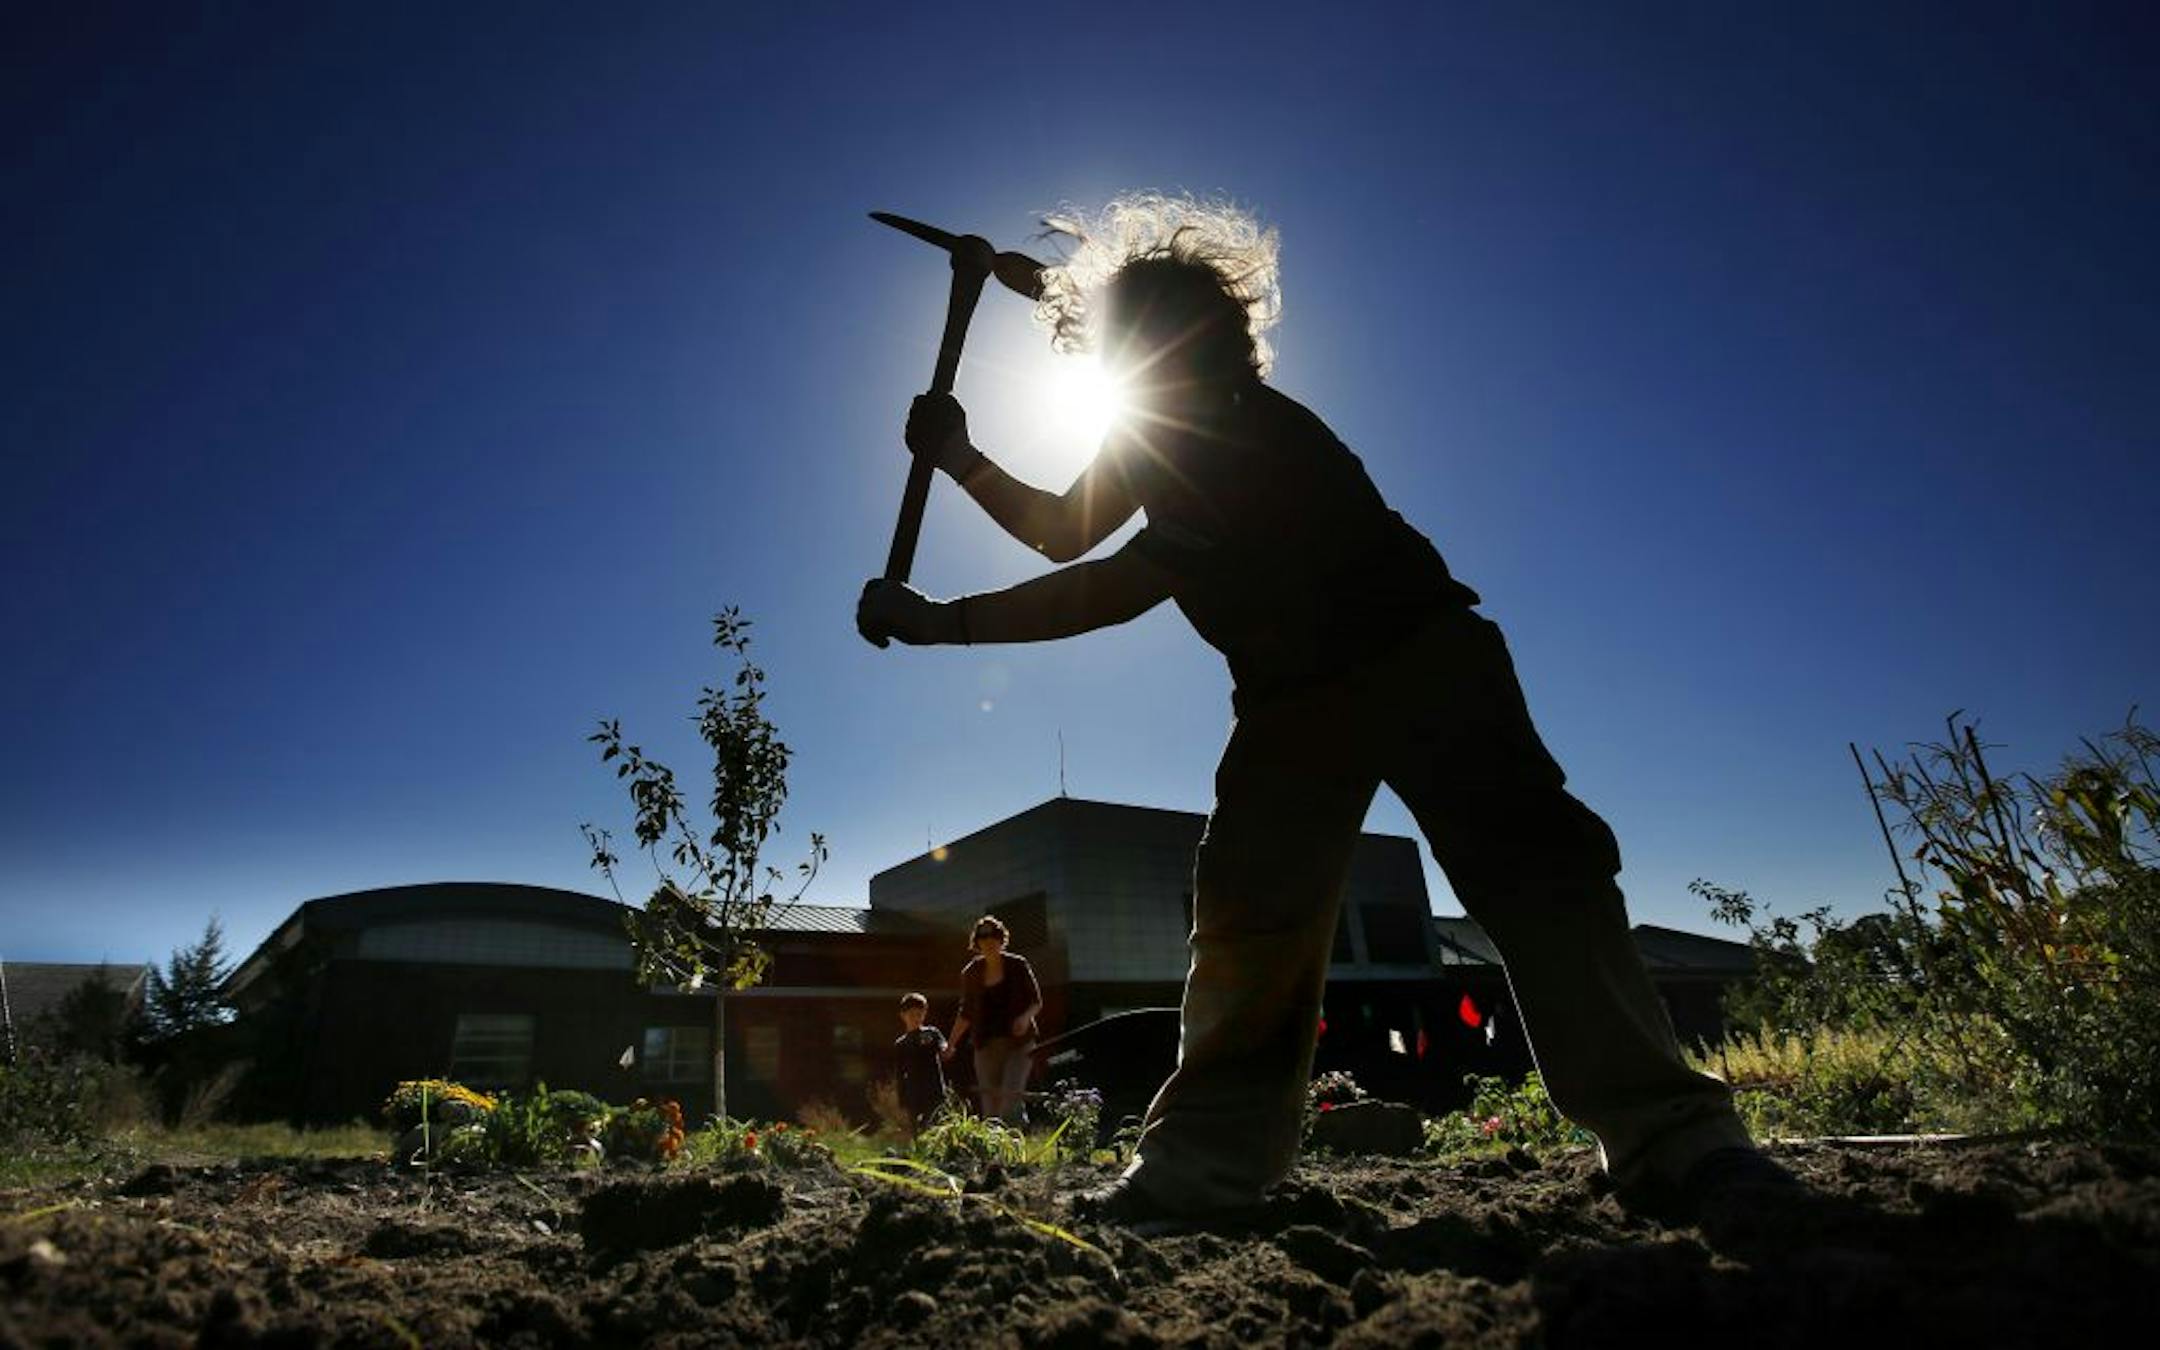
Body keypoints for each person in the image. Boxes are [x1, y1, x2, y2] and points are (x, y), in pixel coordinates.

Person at [858, 193, 1791, 1228]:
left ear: (1219, 339)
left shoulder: (1259, 434)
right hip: (1289, 698)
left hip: (1422, 654)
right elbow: (1061, 531)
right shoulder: (1152, 435)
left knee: (1542, 874)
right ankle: (1203, 1169)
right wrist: (962, 460)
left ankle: (1674, 1139)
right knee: (1250, 916)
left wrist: (943, 620)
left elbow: (1108, 586)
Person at [944, 916, 1042, 1125]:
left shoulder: (1018, 965)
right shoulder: (971, 972)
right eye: (983, 936)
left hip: (1020, 1043)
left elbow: (1036, 1001)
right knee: (991, 1105)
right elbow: (966, 1012)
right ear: (977, 941)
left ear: (1001, 939)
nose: (988, 940)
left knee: (1009, 1096)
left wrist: (1025, 1018)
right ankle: (995, 1154)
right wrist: (951, 1044)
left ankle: (1018, 1135)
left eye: (993, 936)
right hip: (986, 1044)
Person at [893, 992, 949, 1129]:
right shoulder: (901, 1043)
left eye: (920, 1014)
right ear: (903, 1015)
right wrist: (901, 1097)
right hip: (913, 1092)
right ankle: (918, 1149)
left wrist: (945, 1049)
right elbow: (899, 1073)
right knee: (916, 1128)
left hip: (933, 1089)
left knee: (931, 1124)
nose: (916, 1018)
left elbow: (943, 1046)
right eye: (912, 1014)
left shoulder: (931, 1033)